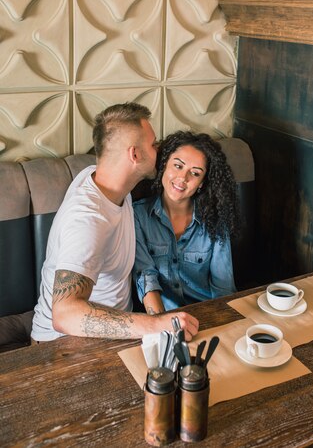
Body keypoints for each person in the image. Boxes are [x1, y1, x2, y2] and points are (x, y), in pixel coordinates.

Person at [31, 103, 199, 342]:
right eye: (153, 144)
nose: (158, 149)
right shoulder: (88, 220)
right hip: (63, 343)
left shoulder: (106, 179)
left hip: (111, 334)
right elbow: (65, 315)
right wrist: (155, 324)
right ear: (134, 155)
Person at [133, 131, 239, 314]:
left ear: (202, 183)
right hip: (162, 316)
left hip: (207, 313)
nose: (183, 177)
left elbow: (223, 287)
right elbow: (146, 278)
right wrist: (162, 326)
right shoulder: (138, 215)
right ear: (164, 164)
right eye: (178, 166)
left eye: (195, 173)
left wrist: (220, 324)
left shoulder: (215, 221)